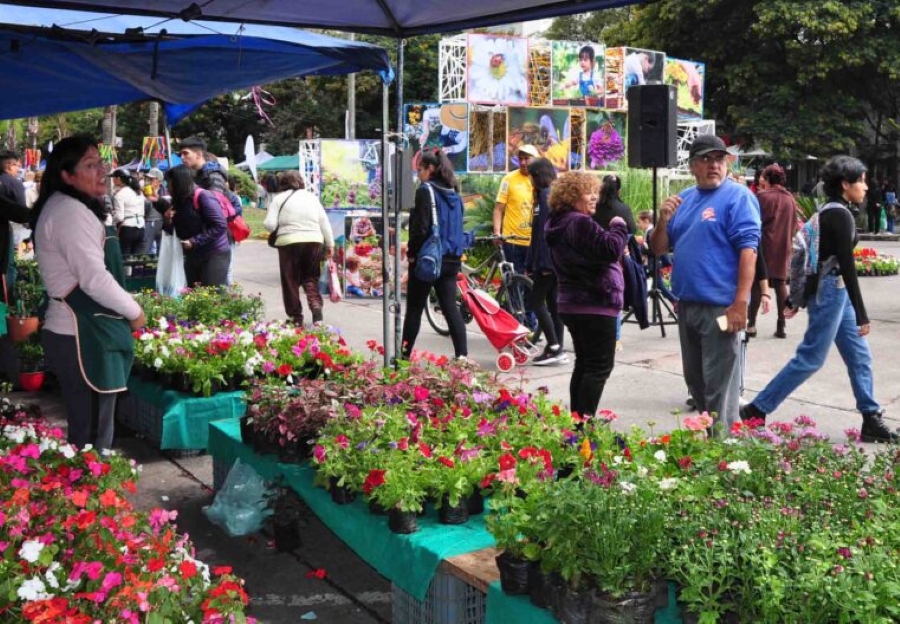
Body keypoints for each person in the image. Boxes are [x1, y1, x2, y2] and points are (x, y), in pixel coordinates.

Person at [740, 156, 896, 442]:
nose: (865, 186)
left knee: (860, 356)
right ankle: (757, 408)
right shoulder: (839, 215)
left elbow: (817, 260)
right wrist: (862, 314)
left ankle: (870, 417)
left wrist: (797, 298)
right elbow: (845, 266)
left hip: (835, 290)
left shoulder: (831, 211)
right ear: (845, 184)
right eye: (861, 181)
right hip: (833, 292)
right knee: (811, 357)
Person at [31, 135, 145, 451]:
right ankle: (92, 480)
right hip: (82, 334)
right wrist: (135, 313)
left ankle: (92, 479)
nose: (102, 171)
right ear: (67, 175)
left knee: (89, 430)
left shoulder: (71, 207)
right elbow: (94, 279)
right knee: (91, 438)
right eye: (90, 165)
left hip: (86, 329)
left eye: (100, 163)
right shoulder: (69, 211)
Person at [649, 134, 760, 430]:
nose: (714, 165)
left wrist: (740, 303)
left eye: (719, 159)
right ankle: (714, 441)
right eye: (706, 159)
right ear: (692, 165)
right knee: (696, 383)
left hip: (721, 307)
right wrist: (662, 221)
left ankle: (723, 448)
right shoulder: (684, 199)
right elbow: (658, 249)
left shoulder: (738, 197)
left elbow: (749, 251)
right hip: (687, 305)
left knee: (720, 390)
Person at [545, 171, 629, 418]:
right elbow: (611, 248)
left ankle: (578, 421)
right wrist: (619, 226)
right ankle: (584, 423)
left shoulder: (558, 222)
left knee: (584, 364)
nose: (594, 197)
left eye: (595, 192)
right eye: (587, 192)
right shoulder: (579, 222)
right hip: (595, 302)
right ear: (571, 196)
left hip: (572, 303)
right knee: (599, 367)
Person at [401, 148, 468, 361]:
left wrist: (412, 255)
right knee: (450, 308)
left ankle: (403, 358)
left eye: (420, 170)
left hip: (428, 259)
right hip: (451, 258)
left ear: (430, 168)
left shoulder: (425, 191)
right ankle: (462, 356)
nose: (418, 174)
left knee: (414, 309)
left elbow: (419, 229)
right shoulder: (454, 193)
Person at [264, 170, 334, 326]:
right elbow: (324, 222)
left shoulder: (278, 199)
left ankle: (295, 317)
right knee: (310, 277)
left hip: (288, 242)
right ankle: (316, 308)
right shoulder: (312, 198)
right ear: (301, 181)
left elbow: (270, 225)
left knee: (290, 280)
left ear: (282, 183)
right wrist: (330, 244)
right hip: (314, 240)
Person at [525, 157, 567, 366]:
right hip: (554, 260)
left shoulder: (545, 196)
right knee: (553, 304)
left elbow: (543, 233)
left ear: (536, 176)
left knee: (535, 302)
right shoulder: (553, 194)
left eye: (531, 176)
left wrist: (541, 263)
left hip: (547, 261)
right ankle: (557, 347)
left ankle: (554, 346)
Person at [749, 164, 797, 339]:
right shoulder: (790, 198)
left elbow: (752, 221)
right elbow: (794, 224)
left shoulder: (761, 197)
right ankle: (781, 325)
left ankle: (751, 325)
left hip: (764, 245)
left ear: (768, 178)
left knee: (757, 283)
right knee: (780, 283)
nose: (761, 178)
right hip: (783, 245)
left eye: (763, 176)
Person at [162, 165, 230, 288]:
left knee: (213, 295)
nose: (167, 187)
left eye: (169, 183)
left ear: (179, 182)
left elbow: (219, 225)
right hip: (193, 255)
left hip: (213, 254)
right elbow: (176, 231)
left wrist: (194, 241)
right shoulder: (180, 200)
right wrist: (167, 220)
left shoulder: (204, 196)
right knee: (193, 294)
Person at [493, 145, 539, 273]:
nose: (523, 162)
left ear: (536, 159)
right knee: (514, 281)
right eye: (520, 159)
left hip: (534, 242)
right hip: (512, 241)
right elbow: (498, 209)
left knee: (533, 280)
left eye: (527, 158)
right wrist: (497, 233)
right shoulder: (508, 179)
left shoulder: (541, 179)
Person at [109, 169, 145, 256]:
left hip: (128, 228)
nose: (112, 180)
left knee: (125, 257)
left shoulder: (120, 194)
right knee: (136, 258)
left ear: (118, 179)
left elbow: (120, 217)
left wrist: (111, 219)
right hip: (141, 227)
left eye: (113, 178)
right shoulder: (138, 192)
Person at [140, 167, 168, 255]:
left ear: (159, 181)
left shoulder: (165, 190)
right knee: (145, 249)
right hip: (149, 221)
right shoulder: (145, 189)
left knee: (162, 250)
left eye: (151, 179)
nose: (148, 181)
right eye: (148, 178)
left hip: (163, 222)